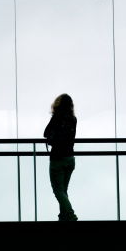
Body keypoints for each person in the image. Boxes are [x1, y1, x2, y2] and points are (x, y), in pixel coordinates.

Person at [44, 93, 78, 221]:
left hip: (57, 157)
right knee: (63, 190)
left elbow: (46, 133)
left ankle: (70, 215)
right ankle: (63, 216)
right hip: (70, 158)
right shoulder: (73, 119)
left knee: (58, 190)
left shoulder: (57, 117)